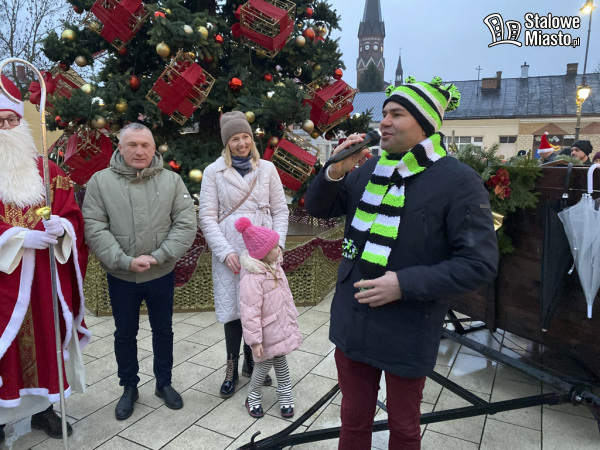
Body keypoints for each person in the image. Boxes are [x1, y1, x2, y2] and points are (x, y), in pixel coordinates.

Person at [305, 77, 498, 449]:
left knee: (405, 428)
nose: (384, 122)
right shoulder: (368, 170)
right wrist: (334, 170)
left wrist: (403, 284)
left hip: (408, 327)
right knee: (353, 422)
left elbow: (479, 263)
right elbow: (318, 207)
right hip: (353, 320)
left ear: (424, 124)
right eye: (384, 113)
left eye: (396, 114)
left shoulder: (458, 181)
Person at [82, 123, 196, 420]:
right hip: (122, 275)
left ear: (153, 147)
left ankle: (164, 383)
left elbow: (185, 223)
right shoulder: (100, 182)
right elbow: (94, 226)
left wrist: (159, 256)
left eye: (145, 145)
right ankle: (129, 386)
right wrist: (123, 260)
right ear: (120, 147)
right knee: (124, 333)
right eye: (132, 144)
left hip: (160, 273)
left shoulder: (171, 181)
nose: (139, 151)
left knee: (163, 330)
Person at [0, 75, 90, 440]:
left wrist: (62, 229)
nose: (6, 129)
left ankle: (45, 410)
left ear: (22, 123)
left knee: (46, 340)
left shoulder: (49, 171)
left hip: (43, 280)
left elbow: (72, 215)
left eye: (12, 120)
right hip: (4, 282)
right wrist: (20, 237)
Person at [198, 111, 289, 399]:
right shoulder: (214, 172)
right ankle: (231, 368)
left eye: (245, 137)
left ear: (252, 138)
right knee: (234, 310)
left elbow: (280, 210)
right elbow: (207, 216)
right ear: (226, 143)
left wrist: (277, 245)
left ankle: (254, 363)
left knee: (261, 307)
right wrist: (224, 251)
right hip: (231, 248)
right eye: (235, 139)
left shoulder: (268, 169)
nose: (241, 144)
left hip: (264, 250)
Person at [234, 217, 302, 419]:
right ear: (262, 253)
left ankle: (285, 394)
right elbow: (249, 312)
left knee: (280, 360)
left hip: (280, 325)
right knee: (263, 364)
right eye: (274, 247)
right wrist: (255, 342)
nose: (279, 249)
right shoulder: (252, 278)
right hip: (266, 331)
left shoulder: (275, 266)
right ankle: (253, 396)